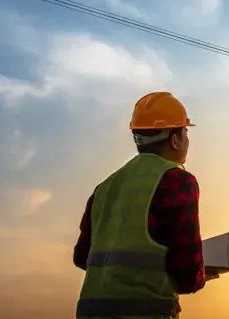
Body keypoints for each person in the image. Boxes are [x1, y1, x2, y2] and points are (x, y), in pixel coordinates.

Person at [73, 91, 216, 319]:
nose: (187, 140)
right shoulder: (178, 182)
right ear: (175, 139)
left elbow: (82, 257)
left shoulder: (104, 187)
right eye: (185, 132)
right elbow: (187, 277)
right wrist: (202, 274)